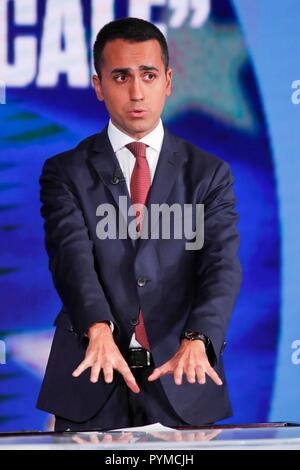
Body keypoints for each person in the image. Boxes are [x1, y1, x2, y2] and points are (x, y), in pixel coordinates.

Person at [36, 17, 242, 431]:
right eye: (120, 76)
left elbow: (222, 265)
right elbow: (71, 258)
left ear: (167, 80)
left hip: (185, 376)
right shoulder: (65, 172)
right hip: (92, 374)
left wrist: (199, 339)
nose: (136, 92)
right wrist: (97, 329)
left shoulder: (209, 173)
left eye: (148, 75)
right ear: (98, 85)